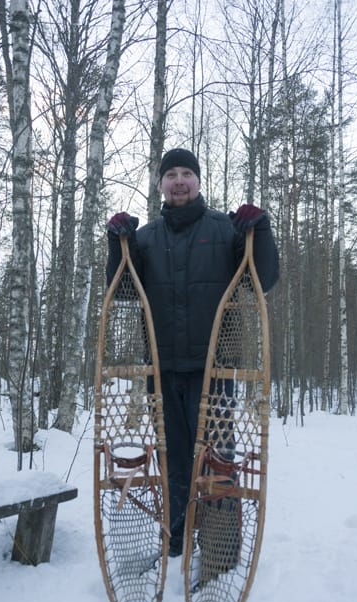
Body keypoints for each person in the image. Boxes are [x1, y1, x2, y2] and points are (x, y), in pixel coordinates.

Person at [106, 148, 279, 557]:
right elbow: (124, 290)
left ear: (198, 181)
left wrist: (262, 230)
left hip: (213, 370)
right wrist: (119, 243)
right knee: (174, 459)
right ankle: (177, 538)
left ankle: (220, 547)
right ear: (160, 184)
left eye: (187, 173)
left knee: (217, 460)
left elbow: (264, 278)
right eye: (171, 175)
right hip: (162, 369)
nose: (179, 181)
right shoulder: (146, 237)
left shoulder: (225, 230)